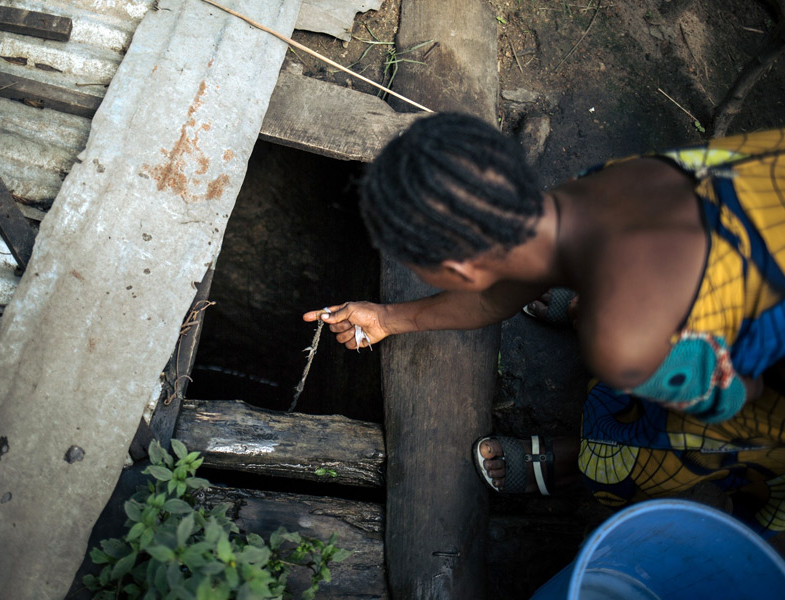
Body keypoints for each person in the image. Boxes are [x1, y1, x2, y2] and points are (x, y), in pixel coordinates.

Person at [303, 113, 785, 537]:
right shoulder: (597, 189)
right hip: (758, 205)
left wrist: (681, 369)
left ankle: (586, 463)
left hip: (751, 371)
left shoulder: (620, 342)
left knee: (673, 433)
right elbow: (497, 290)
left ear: (460, 272)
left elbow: (738, 395)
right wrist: (389, 317)